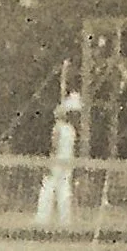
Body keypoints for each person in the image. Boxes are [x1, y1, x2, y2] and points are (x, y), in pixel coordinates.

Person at [35, 93, 81, 228]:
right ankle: (65, 219)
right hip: (67, 161)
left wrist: (50, 161)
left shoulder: (58, 128)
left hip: (57, 161)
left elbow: (54, 146)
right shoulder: (71, 130)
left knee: (48, 188)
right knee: (64, 190)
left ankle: (42, 218)